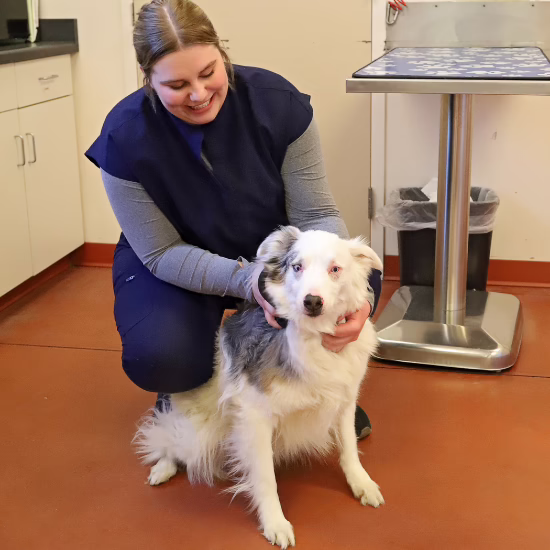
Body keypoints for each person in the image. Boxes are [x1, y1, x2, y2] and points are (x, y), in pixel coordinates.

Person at [85, 0, 382, 439]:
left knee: (359, 282)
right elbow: (162, 251)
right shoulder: (123, 138)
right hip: (176, 260)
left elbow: (316, 213)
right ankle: (186, 384)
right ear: (148, 79)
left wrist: (352, 299)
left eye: (208, 73)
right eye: (177, 84)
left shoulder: (278, 105)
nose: (199, 94)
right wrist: (249, 281)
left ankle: (319, 393)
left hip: (279, 256)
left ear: (222, 53)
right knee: (163, 355)